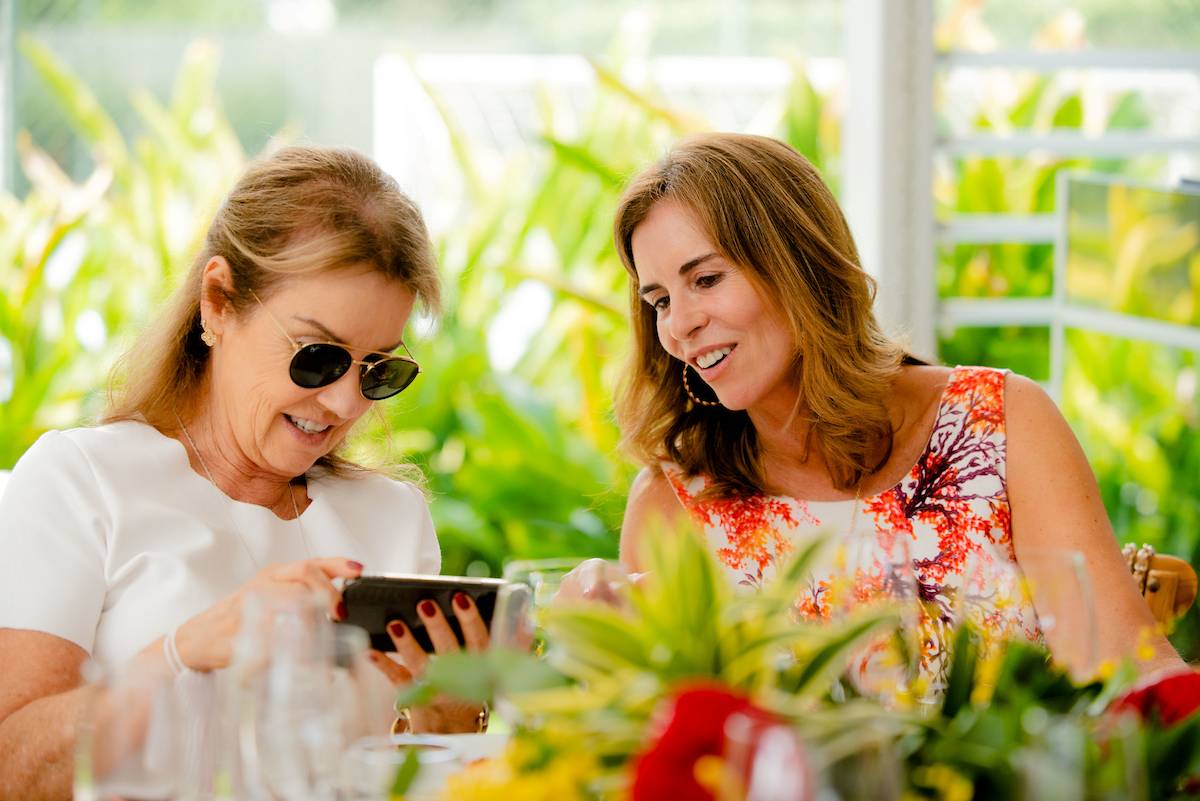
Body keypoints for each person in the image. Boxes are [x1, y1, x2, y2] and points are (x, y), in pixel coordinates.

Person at [579, 132, 1187, 688]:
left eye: (706, 280)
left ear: (799, 267)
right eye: (658, 300)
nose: (680, 324)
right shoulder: (674, 504)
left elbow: (1132, 673)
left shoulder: (997, 424)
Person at [0, 146, 487, 801]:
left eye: (378, 370)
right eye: (317, 357)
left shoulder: (393, 518)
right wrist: (183, 650)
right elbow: (12, 765)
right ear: (218, 302)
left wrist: (454, 722)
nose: (347, 403)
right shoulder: (82, 481)